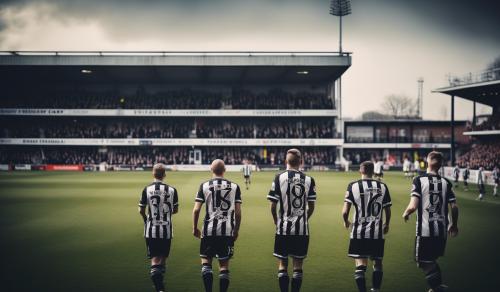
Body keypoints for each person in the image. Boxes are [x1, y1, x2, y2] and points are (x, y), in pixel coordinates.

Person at [402, 151, 459, 292]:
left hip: (425, 230)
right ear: (440, 164)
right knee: (431, 259)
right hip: (442, 231)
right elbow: (455, 206)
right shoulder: (446, 183)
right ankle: (436, 287)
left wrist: (406, 212)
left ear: (428, 161)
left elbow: (413, 205)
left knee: (422, 261)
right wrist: (454, 224)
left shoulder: (418, 180)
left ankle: (437, 287)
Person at [267, 148, 316, 292]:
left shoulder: (278, 177)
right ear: (301, 162)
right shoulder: (309, 180)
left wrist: (276, 219)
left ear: (285, 161)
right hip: (302, 230)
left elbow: (272, 206)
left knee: (282, 264)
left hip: (283, 229)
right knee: (298, 266)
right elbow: (311, 207)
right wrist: (304, 218)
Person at [192, 159, 242, 292]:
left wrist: (194, 228)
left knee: (206, 264)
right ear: (224, 170)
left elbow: (196, 210)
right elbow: (238, 213)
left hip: (208, 231)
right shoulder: (235, 186)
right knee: (224, 266)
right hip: (227, 231)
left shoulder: (204, 186)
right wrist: (236, 230)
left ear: (211, 170)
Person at [342, 161, 392, 292]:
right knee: (378, 262)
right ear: (373, 171)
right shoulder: (383, 186)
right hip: (377, 232)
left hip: (359, 231)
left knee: (360, 263)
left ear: (360, 170)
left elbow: (345, 211)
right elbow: (387, 209)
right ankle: (376, 289)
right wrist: (387, 224)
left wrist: (346, 221)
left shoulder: (353, 185)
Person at [138, 163, 179, 292]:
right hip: (166, 229)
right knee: (163, 258)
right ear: (165, 175)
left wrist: (146, 219)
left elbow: (141, 210)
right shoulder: (172, 190)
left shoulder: (146, 189)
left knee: (155, 259)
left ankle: (158, 286)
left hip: (151, 229)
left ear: (152, 173)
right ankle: (160, 286)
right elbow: (176, 210)